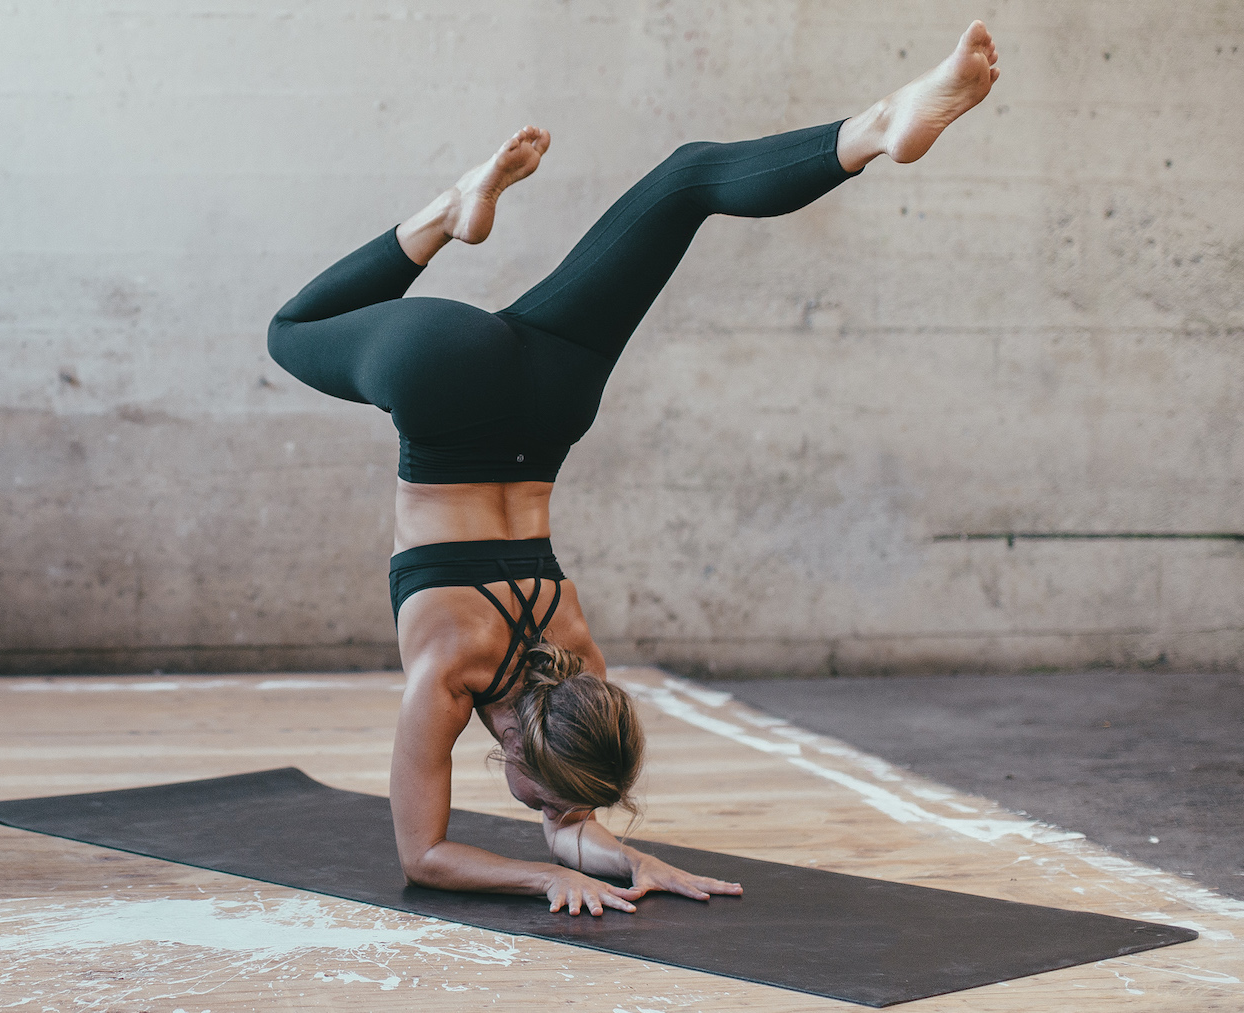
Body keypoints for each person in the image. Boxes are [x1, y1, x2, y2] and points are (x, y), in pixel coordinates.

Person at [267, 23, 1000, 915]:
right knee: (289, 332)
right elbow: (424, 854)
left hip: (550, 392)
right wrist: (555, 870)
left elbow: (558, 812)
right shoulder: (451, 673)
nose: (546, 812)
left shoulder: (580, 663)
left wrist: (621, 860)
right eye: (546, 797)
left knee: (686, 181)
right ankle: (444, 216)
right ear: (523, 753)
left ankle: (874, 129)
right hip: (442, 382)